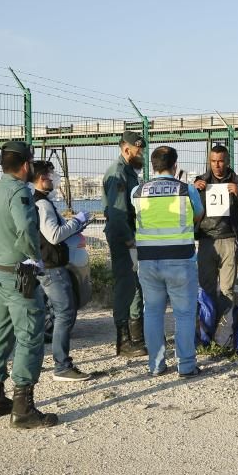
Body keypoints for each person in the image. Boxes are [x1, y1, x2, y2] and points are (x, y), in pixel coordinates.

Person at [0, 141, 57, 429]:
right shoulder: (20, 192)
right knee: (30, 335)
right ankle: (23, 407)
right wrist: (32, 259)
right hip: (18, 273)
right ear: (25, 165)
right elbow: (24, 229)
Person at [132, 146, 205, 378]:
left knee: (152, 312)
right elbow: (198, 214)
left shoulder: (137, 191)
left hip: (148, 260)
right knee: (183, 314)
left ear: (153, 166)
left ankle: (155, 365)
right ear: (175, 166)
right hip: (180, 259)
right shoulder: (186, 189)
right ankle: (185, 365)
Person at [193, 144, 238, 346]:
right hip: (206, 240)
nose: (217, 165)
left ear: (228, 161)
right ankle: (204, 334)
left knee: (227, 289)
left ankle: (224, 337)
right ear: (209, 161)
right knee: (205, 289)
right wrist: (193, 192)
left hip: (230, 239)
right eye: (213, 161)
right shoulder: (200, 182)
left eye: (221, 161)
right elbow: (187, 211)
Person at [31, 160, 92, 382]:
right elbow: (54, 235)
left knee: (38, 316)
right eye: (51, 175)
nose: (54, 179)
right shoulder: (43, 204)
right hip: (52, 267)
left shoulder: (30, 200)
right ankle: (62, 366)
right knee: (65, 312)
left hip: (41, 264)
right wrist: (77, 222)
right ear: (40, 178)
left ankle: (38, 362)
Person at [101, 131, 147, 358]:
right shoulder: (118, 173)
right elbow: (118, 214)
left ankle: (137, 337)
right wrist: (130, 243)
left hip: (130, 234)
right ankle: (124, 341)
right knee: (125, 287)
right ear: (127, 149)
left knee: (135, 285)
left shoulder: (128, 172)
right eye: (139, 150)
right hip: (123, 237)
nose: (142, 154)